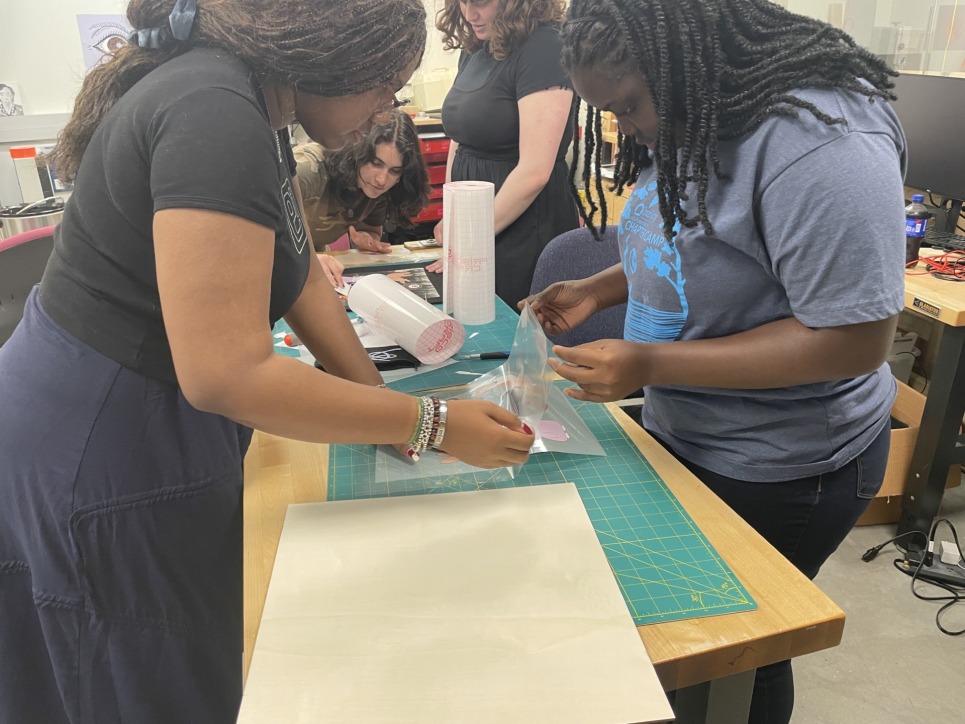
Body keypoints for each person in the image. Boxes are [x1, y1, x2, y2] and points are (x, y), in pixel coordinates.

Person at [0, 1, 533, 722]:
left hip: (121, 417)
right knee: (145, 684)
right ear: (327, 51)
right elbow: (229, 372)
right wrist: (430, 422)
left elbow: (302, 275)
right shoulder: (213, 110)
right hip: (102, 447)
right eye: (383, 82)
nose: (387, 108)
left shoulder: (254, 108)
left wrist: (376, 408)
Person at [526, 1, 906, 722]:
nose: (627, 127)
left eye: (629, 105)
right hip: (691, 430)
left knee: (739, 657)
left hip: (782, 461)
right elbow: (698, 238)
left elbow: (852, 339)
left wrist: (648, 364)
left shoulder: (821, 143)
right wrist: (602, 286)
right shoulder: (696, 102)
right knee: (684, 652)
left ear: (685, 54)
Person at [427, 0, 580, 309]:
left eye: (481, 2)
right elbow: (461, 139)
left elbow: (535, 171)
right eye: (463, 1)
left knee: (513, 334)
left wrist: (470, 237)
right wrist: (453, 215)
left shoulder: (545, 47)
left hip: (524, 227)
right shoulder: (476, 46)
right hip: (478, 224)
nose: (470, 14)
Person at [294, 108, 430, 262]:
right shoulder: (309, 168)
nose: (382, 180)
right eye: (376, 163)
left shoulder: (375, 187)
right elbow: (263, 227)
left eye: (395, 170)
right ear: (358, 152)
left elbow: (369, 229)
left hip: (316, 257)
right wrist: (310, 263)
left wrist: (366, 239)